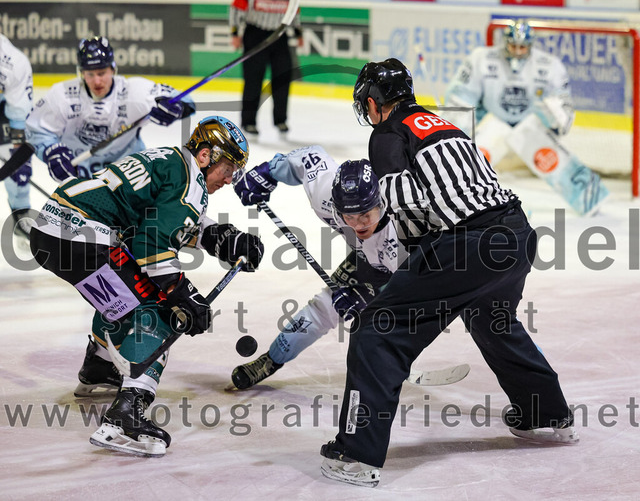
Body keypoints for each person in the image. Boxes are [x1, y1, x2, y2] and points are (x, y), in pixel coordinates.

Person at [319, 58, 578, 487]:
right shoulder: (443, 125)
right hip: (517, 234)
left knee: (376, 331)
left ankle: (356, 454)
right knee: (492, 320)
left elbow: (407, 210)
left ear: (373, 102)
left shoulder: (388, 134)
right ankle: (546, 415)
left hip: (469, 245)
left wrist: (390, 282)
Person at [29, 116, 264, 457]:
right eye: (227, 168)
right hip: (86, 237)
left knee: (124, 292)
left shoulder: (170, 160)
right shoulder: (190, 183)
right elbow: (151, 246)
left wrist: (224, 238)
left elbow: (158, 220)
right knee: (161, 311)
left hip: (51, 231)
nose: (229, 179)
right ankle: (126, 413)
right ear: (205, 155)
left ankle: (100, 365)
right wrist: (183, 295)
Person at [230, 147, 407, 390]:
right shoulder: (325, 194)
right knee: (326, 306)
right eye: (349, 217)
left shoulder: (403, 233)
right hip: (368, 256)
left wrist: (375, 297)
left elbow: (422, 286)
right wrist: (268, 172)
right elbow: (309, 158)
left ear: (382, 203)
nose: (358, 225)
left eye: (366, 214)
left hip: (407, 267)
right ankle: (272, 360)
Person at [443, 19, 608, 216]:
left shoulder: (548, 65)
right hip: (493, 122)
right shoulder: (481, 59)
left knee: (549, 157)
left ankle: (588, 196)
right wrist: (456, 128)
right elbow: (461, 95)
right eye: (513, 45)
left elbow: (562, 107)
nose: (517, 51)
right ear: (505, 42)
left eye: (522, 47)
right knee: (470, 161)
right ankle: (451, 199)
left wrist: (556, 116)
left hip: (529, 126)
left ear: (530, 45)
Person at [26, 36, 195, 184]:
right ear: (81, 73)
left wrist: (176, 108)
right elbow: (35, 130)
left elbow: (186, 101)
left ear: (113, 69)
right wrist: (51, 153)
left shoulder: (135, 92)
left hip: (130, 179)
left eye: (102, 73)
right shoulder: (61, 95)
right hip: (81, 181)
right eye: (90, 74)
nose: (97, 81)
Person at [229, 0, 303, 135]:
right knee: (253, 80)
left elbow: (294, 9)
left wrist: (298, 33)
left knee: (282, 78)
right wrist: (235, 33)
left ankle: (280, 120)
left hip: (279, 36)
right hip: (255, 34)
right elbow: (237, 7)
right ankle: (249, 122)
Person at [0, 33, 34, 240]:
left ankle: (20, 211)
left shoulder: (13, 62)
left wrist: (19, 158)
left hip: (3, 107)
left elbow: (19, 117)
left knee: (14, 162)